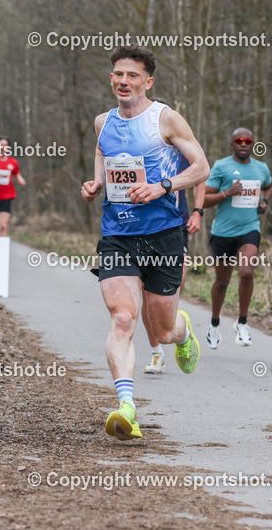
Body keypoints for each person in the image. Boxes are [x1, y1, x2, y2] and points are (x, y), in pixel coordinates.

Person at [81, 45, 209, 440]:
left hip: (164, 235)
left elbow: (201, 166)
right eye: (118, 74)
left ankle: (183, 332)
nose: (123, 81)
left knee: (162, 330)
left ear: (148, 82)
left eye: (132, 76)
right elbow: (103, 158)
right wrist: (96, 183)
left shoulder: (165, 119)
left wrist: (163, 186)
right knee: (122, 317)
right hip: (118, 233)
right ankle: (126, 407)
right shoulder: (103, 121)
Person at [201, 128, 272, 347]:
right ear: (231, 144)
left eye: (248, 140)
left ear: (253, 144)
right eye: (239, 140)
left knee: (247, 272)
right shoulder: (221, 167)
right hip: (222, 233)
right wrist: (226, 193)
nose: (243, 144)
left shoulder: (261, 168)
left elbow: (268, 187)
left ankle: (242, 322)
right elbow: (202, 199)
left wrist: (264, 202)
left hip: (249, 229)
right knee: (222, 282)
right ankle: (214, 324)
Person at [141, 174, 208, 374]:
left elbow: (200, 177)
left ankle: (179, 328)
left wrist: (198, 211)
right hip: (139, 227)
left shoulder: (178, 145)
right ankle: (156, 352)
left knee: (176, 284)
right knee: (147, 291)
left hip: (176, 224)